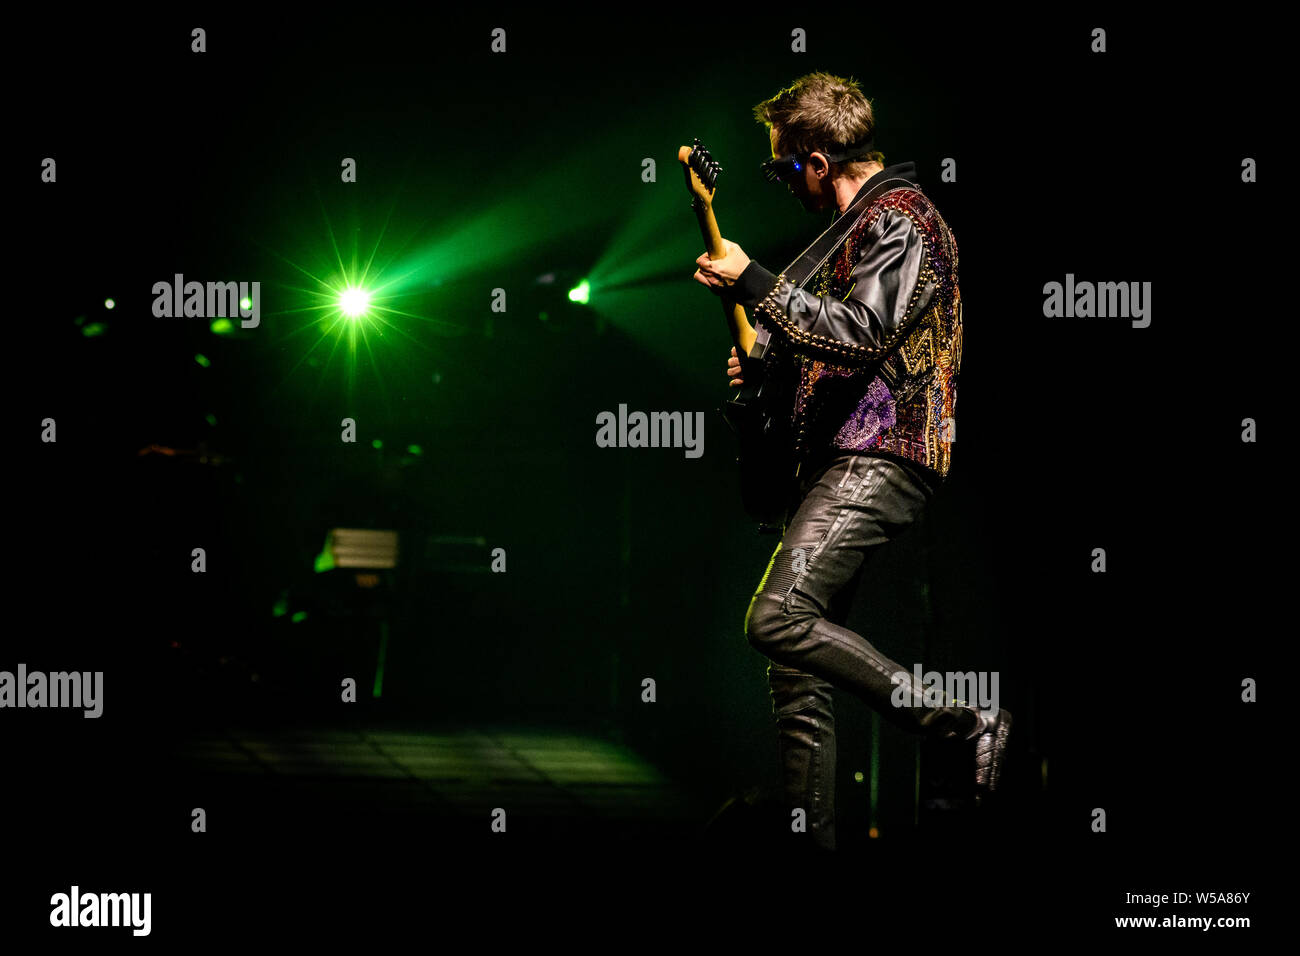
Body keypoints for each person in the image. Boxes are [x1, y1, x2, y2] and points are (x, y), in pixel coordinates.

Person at [692, 72, 1009, 852]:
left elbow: (863, 332)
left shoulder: (903, 219)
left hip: (883, 451)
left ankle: (962, 721)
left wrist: (756, 280)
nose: (779, 183)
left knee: (775, 619)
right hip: (843, 455)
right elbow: (833, 347)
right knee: (796, 670)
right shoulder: (849, 233)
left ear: (817, 161)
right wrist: (766, 364)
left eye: (781, 168)